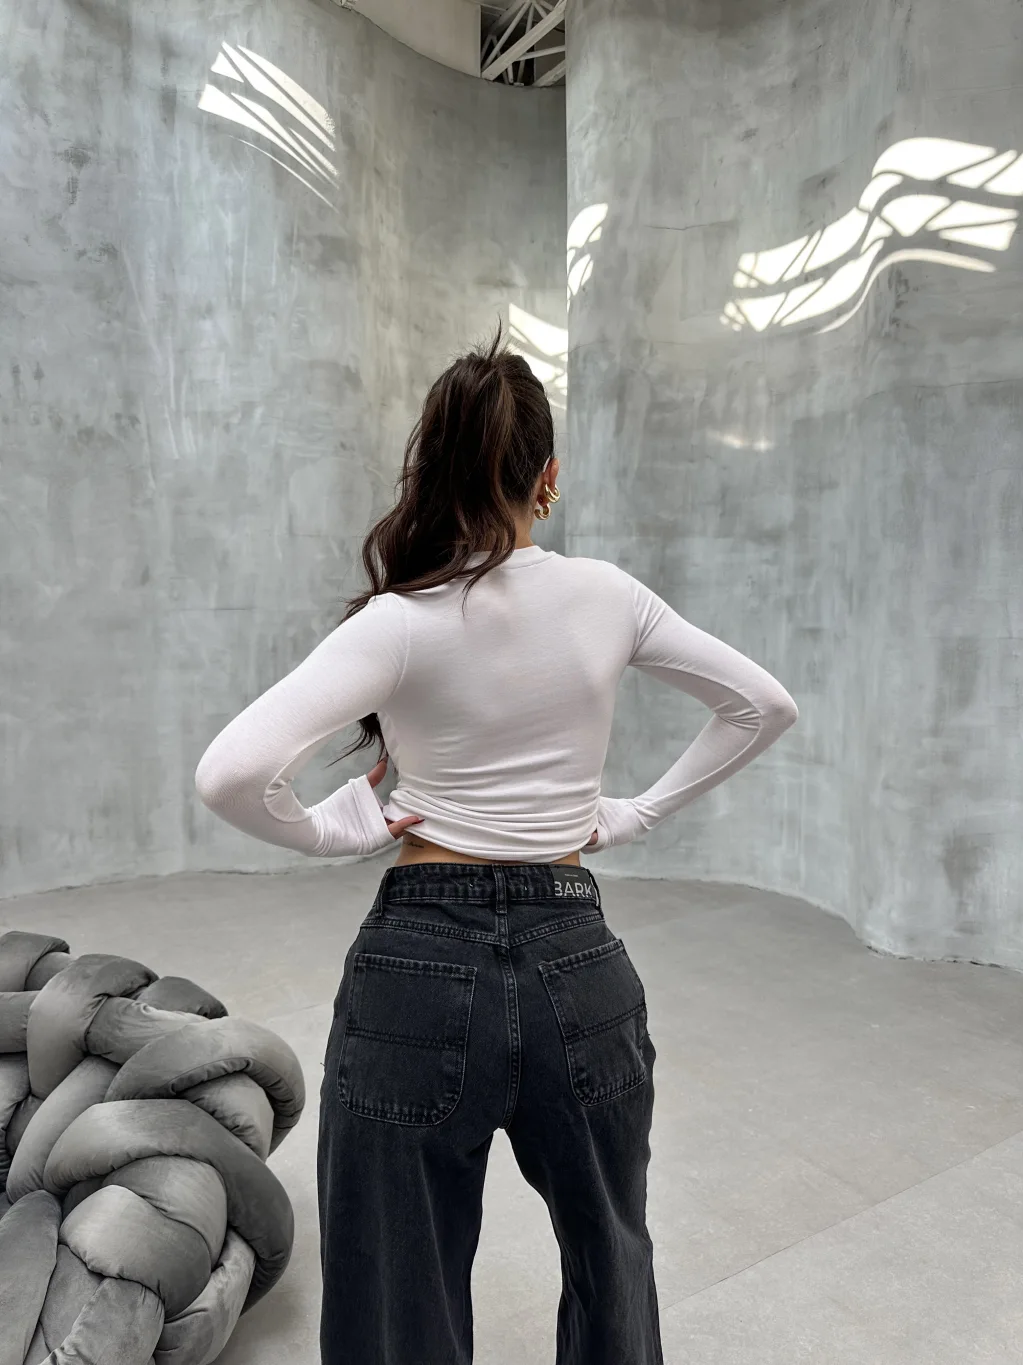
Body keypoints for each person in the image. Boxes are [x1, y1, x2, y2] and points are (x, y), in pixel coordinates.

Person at [194, 319, 799, 1364]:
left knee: (397, 1301)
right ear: (546, 479)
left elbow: (229, 774)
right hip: (580, 963)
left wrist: (338, 827)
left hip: (415, 973)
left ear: (431, 469)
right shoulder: (608, 596)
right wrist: (632, 813)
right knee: (613, 1275)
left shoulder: (399, 621)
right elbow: (761, 705)